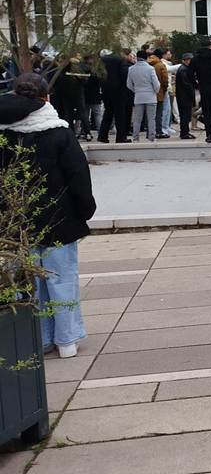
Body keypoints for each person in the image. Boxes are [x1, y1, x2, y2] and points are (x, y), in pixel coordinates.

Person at [0, 72, 96, 358]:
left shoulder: (5, 135)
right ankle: (67, 340)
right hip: (59, 217)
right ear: (46, 98)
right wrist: (84, 210)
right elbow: (78, 175)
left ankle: (38, 338)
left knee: (28, 281)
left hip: (17, 221)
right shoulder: (58, 132)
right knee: (61, 277)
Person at [98, 49, 131, 144]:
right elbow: (125, 74)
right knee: (120, 114)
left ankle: (102, 136)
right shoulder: (120, 60)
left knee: (108, 112)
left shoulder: (102, 60)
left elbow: (99, 74)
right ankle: (121, 137)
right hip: (118, 90)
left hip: (105, 89)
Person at [126, 50, 160, 142]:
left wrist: (136, 91)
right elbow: (156, 84)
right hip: (151, 97)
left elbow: (129, 84)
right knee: (151, 119)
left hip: (138, 97)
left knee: (137, 119)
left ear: (137, 57)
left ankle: (136, 138)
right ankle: (151, 137)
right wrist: (155, 92)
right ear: (147, 58)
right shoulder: (150, 69)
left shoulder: (131, 69)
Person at [148, 49, 170, 138]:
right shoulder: (161, 65)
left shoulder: (148, 64)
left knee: (150, 114)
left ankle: (150, 132)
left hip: (149, 92)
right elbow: (165, 80)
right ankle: (159, 131)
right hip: (160, 92)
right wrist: (164, 89)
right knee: (159, 113)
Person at [175, 53, 196, 139]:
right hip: (184, 97)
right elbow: (187, 85)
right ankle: (184, 133)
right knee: (185, 116)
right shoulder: (183, 70)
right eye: (190, 60)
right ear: (186, 60)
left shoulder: (184, 69)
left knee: (186, 115)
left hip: (183, 96)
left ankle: (185, 132)